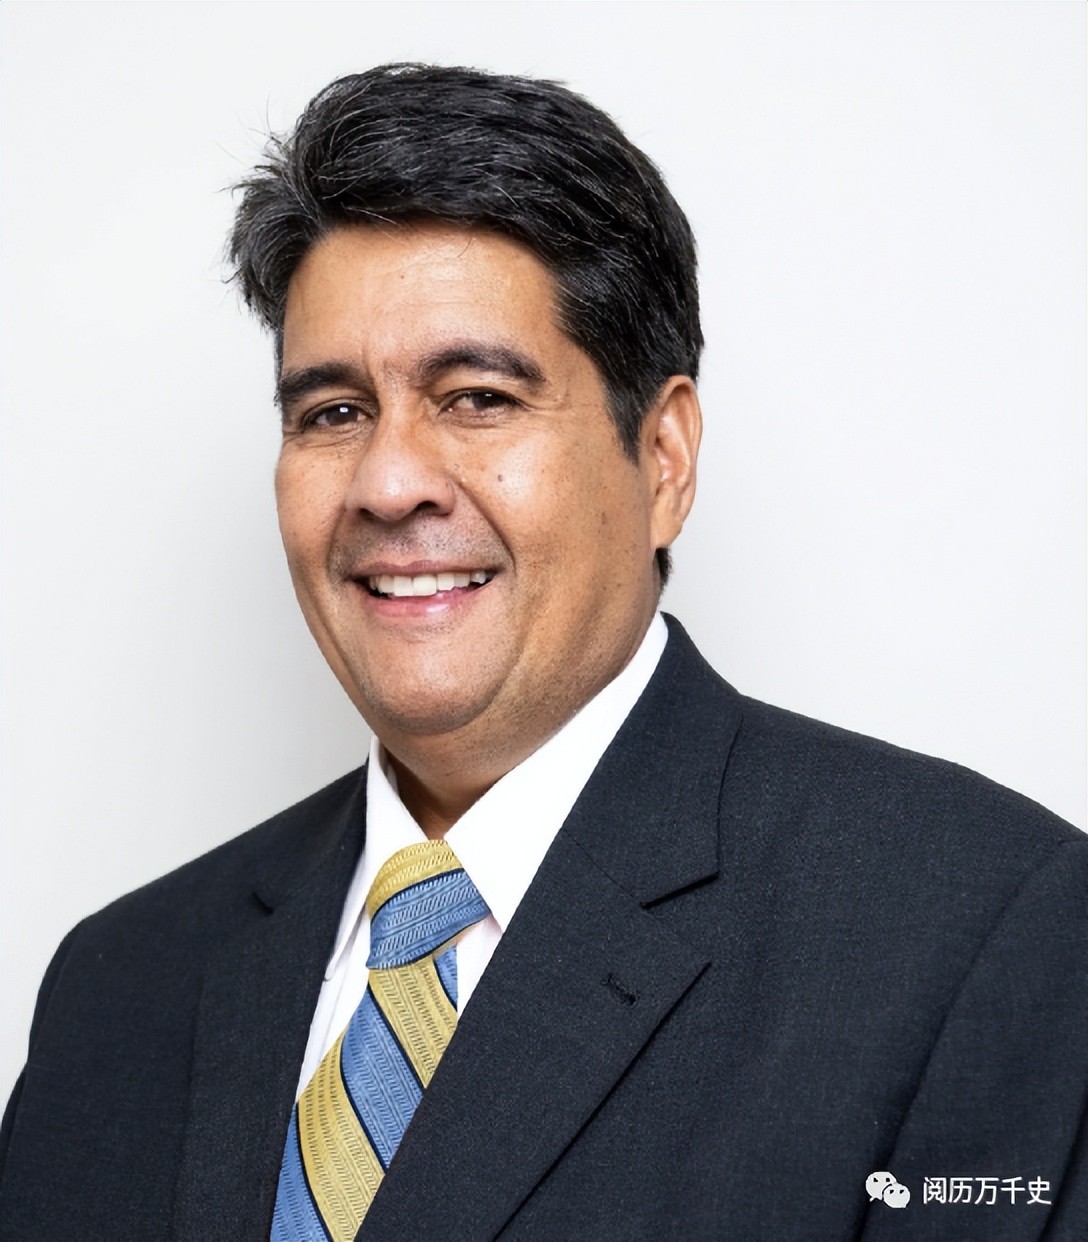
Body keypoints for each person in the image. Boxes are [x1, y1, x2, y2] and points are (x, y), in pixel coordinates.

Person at [0, 62, 1083, 1242]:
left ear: (661, 460)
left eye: (476, 397)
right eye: (332, 413)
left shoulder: (973, 930)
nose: (388, 483)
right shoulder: (119, 985)